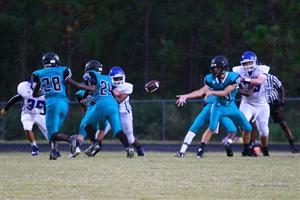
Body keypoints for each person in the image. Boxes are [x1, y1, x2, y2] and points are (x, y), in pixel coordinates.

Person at [177, 55, 253, 158]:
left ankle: (246, 149)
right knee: (211, 128)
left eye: (217, 67)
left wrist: (211, 93)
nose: (215, 70)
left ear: (224, 67)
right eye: (214, 68)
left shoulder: (233, 77)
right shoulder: (210, 78)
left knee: (247, 127)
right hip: (218, 106)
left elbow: (225, 92)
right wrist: (186, 96)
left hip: (231, 106)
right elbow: (201, 92)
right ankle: (200, 151)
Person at [31, 52, 95, 160]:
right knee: (56, 130)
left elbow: (34, 94)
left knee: (51, 134)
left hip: (52, 103)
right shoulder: (62, 70)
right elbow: (77, 85)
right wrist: (90, 88)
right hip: (64, 103)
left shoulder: (39, 73)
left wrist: (45, 91)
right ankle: (54, 152)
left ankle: (71, 139)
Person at [69, 60, 135, 158]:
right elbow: (117, 93)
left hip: (99, 107)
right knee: (117, 130)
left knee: (86, 125)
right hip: (113, 105)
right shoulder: (107, 78)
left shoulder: (87, 80)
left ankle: (88, 145)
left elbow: (90, 89)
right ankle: (129, 148)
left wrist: (84, 96)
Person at [84, 66, 145, 157]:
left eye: (119, 78)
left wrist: (107, 95)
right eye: (115, 79)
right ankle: (94, 150)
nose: (118, 81)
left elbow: (119, 100)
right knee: (100, 132)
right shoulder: (107, 83)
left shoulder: (128, 86)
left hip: (124, 112)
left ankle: (139, 148)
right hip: (111, 111)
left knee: (130, 138)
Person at [232, 51, 271, 156]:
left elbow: (259, 81)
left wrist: (243, 79)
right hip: (247, 103)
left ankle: (265, 150)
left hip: (262, 103)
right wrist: (239, 88)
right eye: (245, 63)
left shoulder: (262, 68)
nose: (247, 65)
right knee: (244, 125)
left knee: (264, 131)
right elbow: (234, 85)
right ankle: (246, 149)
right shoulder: (237, 70)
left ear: (255, 62)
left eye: (250, 63)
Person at [0, 79, 48, 156]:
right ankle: (34, 148)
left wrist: (46, 113)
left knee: (50, 134)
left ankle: (55, 150)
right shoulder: (25, 89)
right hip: (27, 113)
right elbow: (16, 98)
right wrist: (5, 109)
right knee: (27, 128)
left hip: (40, 114)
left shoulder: (47, 93)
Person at [265, 73, 298, 153]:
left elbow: (281, 88)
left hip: (274, 103)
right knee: (262, 126)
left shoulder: (271, 77)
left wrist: (282, 103)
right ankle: (263, 148)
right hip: (262, 104)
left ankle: (293, 146)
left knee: (284, 124)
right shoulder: (255, 78)